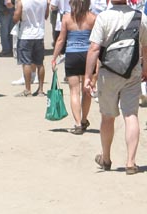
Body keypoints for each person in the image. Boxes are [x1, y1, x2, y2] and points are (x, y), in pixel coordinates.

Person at [83, 0, 147, 174]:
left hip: (108, 73)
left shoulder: (103, 17)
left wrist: (88, 76)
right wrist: (145, 68)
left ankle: (106, 158)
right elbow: (145, 47)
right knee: (131, 115)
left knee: (107, 117)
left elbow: (94, 48)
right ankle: (130, 162)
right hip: (132, 72)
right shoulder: (140, 17)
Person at [51, 0, 96, 133]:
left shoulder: (66, 18)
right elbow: (96, 40)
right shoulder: (93, 18)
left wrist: (54, 57)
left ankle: (77, 124)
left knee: (74, 91)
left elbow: (60, 40)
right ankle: (84, 119)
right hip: (88, 56)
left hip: (72, 56)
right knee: (86, 90)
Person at [14, 0, 50, 96]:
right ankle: (41, 89)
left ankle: (28, 89)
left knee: (26, 63)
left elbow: (16, 18)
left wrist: (17, 15)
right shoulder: (44, 2)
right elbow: (46, 16)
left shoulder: (22, 2)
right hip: (39, 34)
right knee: (40, 63)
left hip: (26, 34)